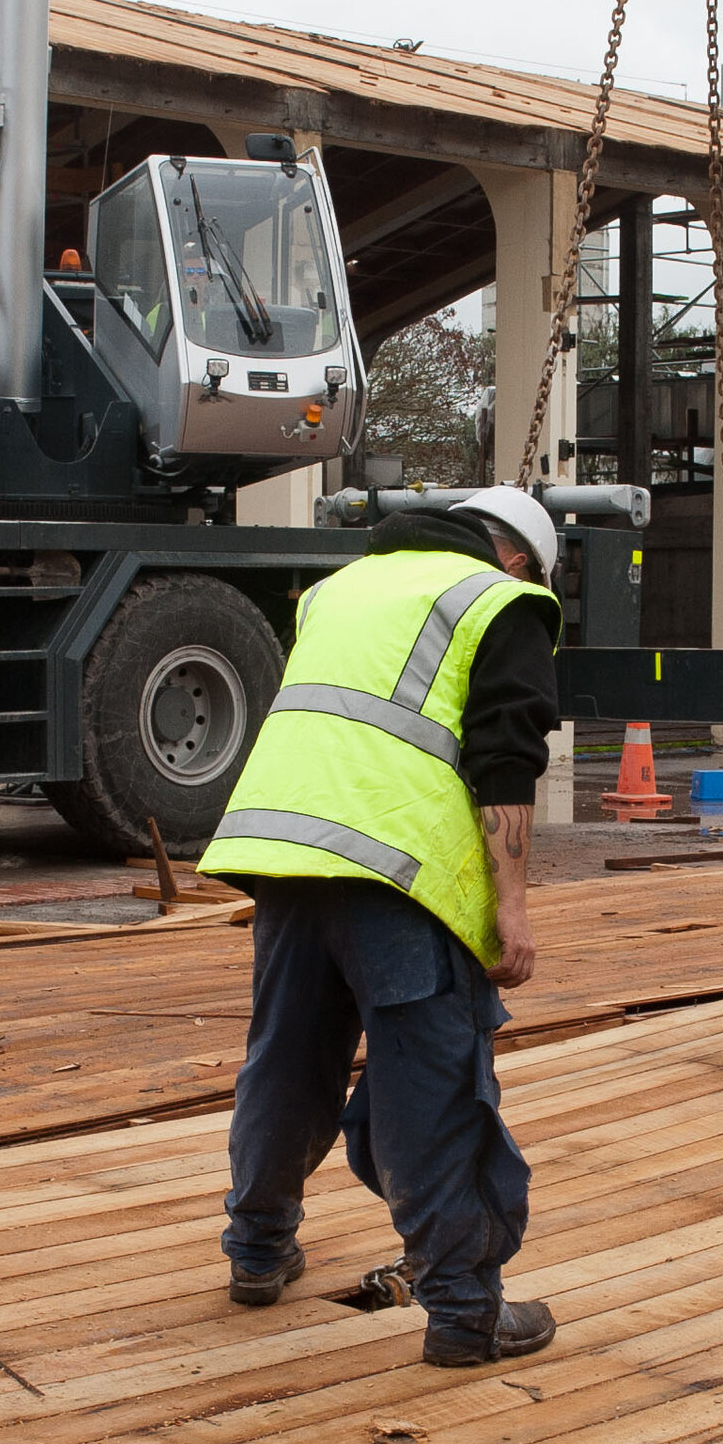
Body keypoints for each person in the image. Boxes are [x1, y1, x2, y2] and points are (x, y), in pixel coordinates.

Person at [203, 483, 565, 1368]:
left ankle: (257, 1250)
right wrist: (510, 909)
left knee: (287, 1058)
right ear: (516, 557)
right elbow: (504, 761)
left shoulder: (341, 586)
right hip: (398, 873)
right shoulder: (501, 599)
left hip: (285, 853)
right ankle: (465, 1311)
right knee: (433, 1085)